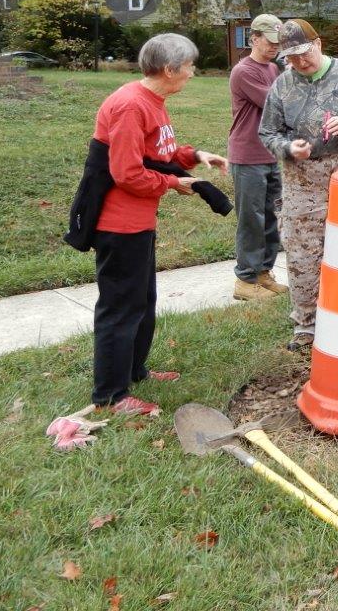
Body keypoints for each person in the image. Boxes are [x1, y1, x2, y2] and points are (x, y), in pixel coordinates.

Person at [88, 34, 228, 416]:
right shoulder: (131, 106)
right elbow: (127, 172)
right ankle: (111, 396)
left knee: (142, 301)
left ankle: (135, 371)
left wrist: (197, 156)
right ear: (170, 69)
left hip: (139, 222)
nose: (193, 73)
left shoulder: (153, 101)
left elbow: (159, 153)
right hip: (119, 224)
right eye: (189, 66)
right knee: (120, 307)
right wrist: (173, 183)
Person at [259, 19, 338, 350]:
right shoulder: (283, 85)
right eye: (291, 57)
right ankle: (307, 324)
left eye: (303, 53)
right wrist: (288, 148)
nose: (300, 62)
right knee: (302, 251)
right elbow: (267, 131)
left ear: (319, 44)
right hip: (303, 179)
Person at [229, 13, 288, 303]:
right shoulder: (244, 71)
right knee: (251, 220)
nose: (275, 46)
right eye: (270, 41)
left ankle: (264, 272)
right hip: (247, 155)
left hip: (269, 154)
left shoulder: (273, 69)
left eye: (279, 42)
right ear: (254, 38)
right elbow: (275, 104)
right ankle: (245, 279)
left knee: (270, 217)